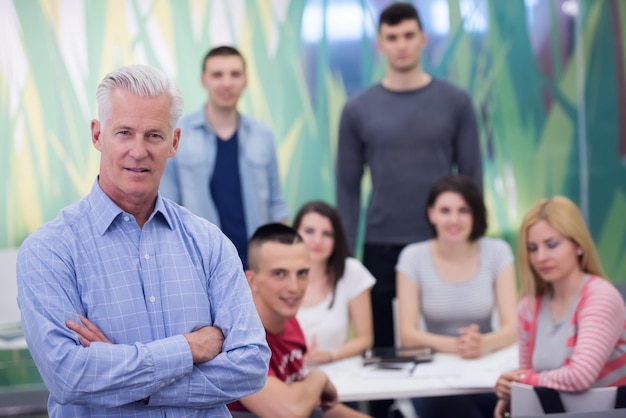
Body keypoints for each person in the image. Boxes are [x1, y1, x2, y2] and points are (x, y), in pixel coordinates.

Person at [16, 65, 270, 417]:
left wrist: (133, 383)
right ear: (97, 135)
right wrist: (188, 348)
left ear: (174, 142)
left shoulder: (210, 243)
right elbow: (69, 377)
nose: (138, 151)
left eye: (154, 135)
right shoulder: (50, 251)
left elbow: (251, 366)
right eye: (124, 132)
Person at [336, 2, 482, 362]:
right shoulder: (357, 109)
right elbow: (348, 189)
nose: (401, 44)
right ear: (380, 44)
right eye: (392, 37)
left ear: (423, 40)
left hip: (441, 241)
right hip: (380, 245)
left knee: (445, 346)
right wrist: (344, 256)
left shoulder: (456, 102)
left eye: (408, 36)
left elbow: (471, 179)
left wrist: (472, 239)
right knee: (383, 352)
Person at [396, 174, 517, 418]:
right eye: (445, 210)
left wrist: (482, 344)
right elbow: (408, 336)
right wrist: (457, 346)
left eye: (463, 210)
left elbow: (514, 326)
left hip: (486, 370)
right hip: (434, 378)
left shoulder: (497, 251)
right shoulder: (412, 257)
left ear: (475, 215)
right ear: (431, 214)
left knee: (509, 402)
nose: (454, 219)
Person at [494, 196, 626, 417]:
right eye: (532, 248)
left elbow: (580, 376)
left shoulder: (600, 296)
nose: (541, 257)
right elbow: (527, 375)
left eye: (552, 244)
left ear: (578, 246)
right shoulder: (529, 305)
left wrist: (522, 381)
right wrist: (510, 390)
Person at [161, 46, 287, 268]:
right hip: (200, 261)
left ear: (245, 80)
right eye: (217, 75)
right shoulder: (178, 134)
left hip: (257, 265)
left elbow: (277, 206)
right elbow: (166, 206)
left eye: (235, 74)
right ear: (204, 80)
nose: (227, 83)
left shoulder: (263, 135)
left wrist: (277, 262)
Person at [228, 223, 370, 418]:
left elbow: (318, 408)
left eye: (302, 273)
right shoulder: (237, 340)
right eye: (279, 274)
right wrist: (318, 378)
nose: (294, 287)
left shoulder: (289, 321)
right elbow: (290, 412)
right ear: (251, 280)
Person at [293, 201, 375, 364]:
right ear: (295, 234)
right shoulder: (275, 275)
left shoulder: (351, 271)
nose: (317, 240)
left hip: (339, 372)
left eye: (327, 234)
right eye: (309, 231)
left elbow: (365, 339)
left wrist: (329, 356)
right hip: (287, 377)